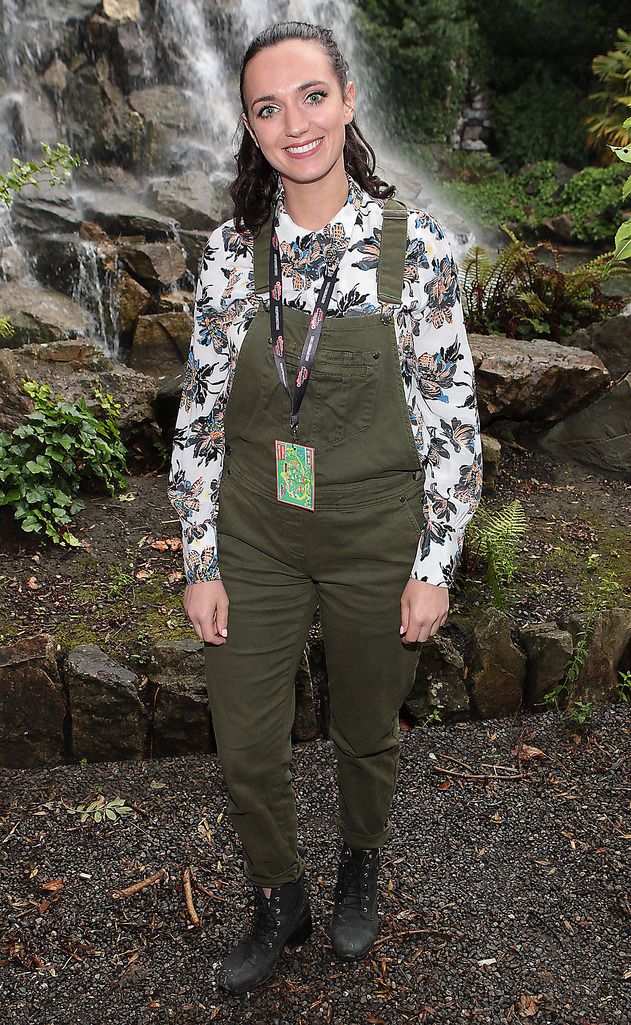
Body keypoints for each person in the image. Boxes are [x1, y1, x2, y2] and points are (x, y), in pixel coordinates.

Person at [168, 20, 483, 996]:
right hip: (258, 529)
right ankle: (278, 892)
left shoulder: (415, 246)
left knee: (364, 728)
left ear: (347, 102)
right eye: (267, 107)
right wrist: (200, 554)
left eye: (310, 96)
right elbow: (201, 406)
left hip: (372, 536)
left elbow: (451, 415)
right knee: (246, 741)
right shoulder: (231, 250)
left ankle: (359, 859)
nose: (291, 122)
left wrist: (433, 564)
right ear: (252, 129)